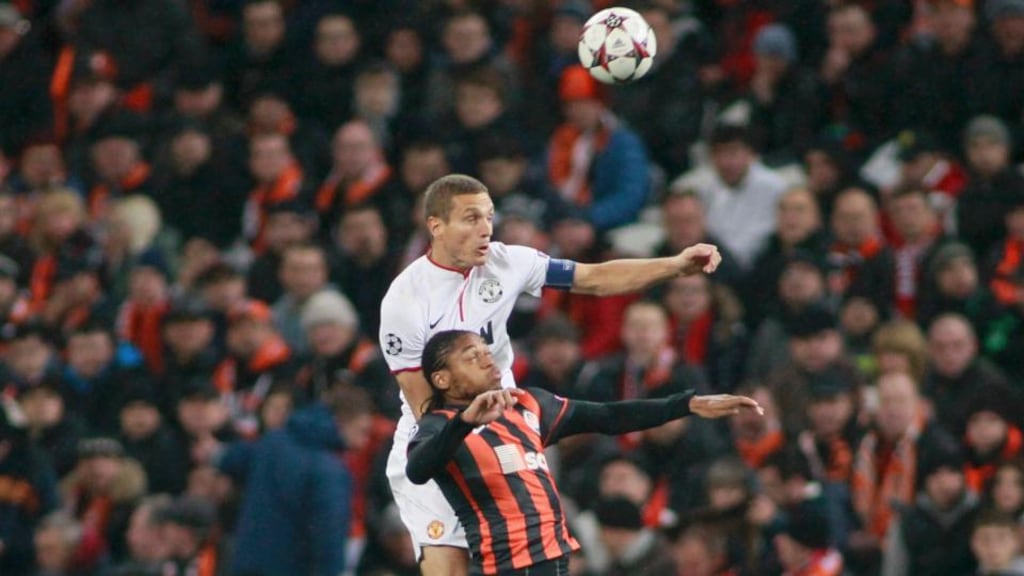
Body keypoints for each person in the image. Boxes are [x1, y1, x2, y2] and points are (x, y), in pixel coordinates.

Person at [378, 173, 725, 575]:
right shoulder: (405, 301)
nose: (486, 229)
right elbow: (424, 403)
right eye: (471, 218)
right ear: (435, 226)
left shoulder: (509, 262)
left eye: (489, 217)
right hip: (439, 438)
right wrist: (465, 446)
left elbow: (593, 279)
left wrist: (674, 266)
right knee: (450, 567)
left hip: (509, 424)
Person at [405, 329, 762, 575]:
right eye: (471, 357)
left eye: (486, 351)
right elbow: (419, 469)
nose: (487, 359)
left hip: (555, 556)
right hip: (508, 563)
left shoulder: (527, 404)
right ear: (442, 380)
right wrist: (465, 422)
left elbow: (608, 415)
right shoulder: (440, 426)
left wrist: (688, 404)